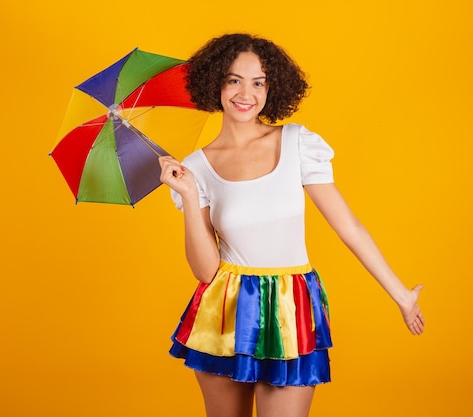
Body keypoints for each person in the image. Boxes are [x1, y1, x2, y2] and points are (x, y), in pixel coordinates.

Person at [158, 33, 425, 417]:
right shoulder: (194, 168)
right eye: (233, 80)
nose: (245, 93)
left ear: (273, 87)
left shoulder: (298, 143)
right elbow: (205, 270)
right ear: (215, 82)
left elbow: (348, 225)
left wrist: (400, 294)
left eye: (258, 82)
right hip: (225, 310)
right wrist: (186, 193)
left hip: (292, 304)